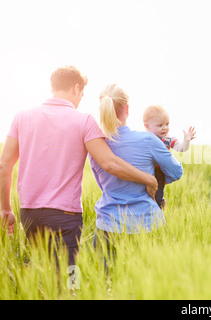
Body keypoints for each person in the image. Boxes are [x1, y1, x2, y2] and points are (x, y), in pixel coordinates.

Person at [0, 66, 157, 267]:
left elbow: (4, 164)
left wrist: (5, 209)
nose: (81, 98)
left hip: (29, 213)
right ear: (76, 88)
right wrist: (148, 179)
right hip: (65, 217)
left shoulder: (22, 117)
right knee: (68, 281)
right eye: (82, 94)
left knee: (41, 273)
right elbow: (109, 163)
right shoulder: (83, 120)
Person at [89, 84, 183, 252]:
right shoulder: (148, 140)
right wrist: (157, 182)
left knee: (106, 278)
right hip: (147, 223)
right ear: (127, 109)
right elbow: (177, 172)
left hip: (107, 225)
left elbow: (102, 184)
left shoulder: (97, 146)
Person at [143, 105, 196, 208]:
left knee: (157, 197)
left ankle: (160, 205)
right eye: (160, 125)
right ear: (147, 126)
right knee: (143, 196)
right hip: (144, 170)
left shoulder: (167, 139)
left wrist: (186, 141)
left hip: (159, 172)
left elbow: (182, 148)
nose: (165, 128)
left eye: (167, 124)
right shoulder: (143, 138)